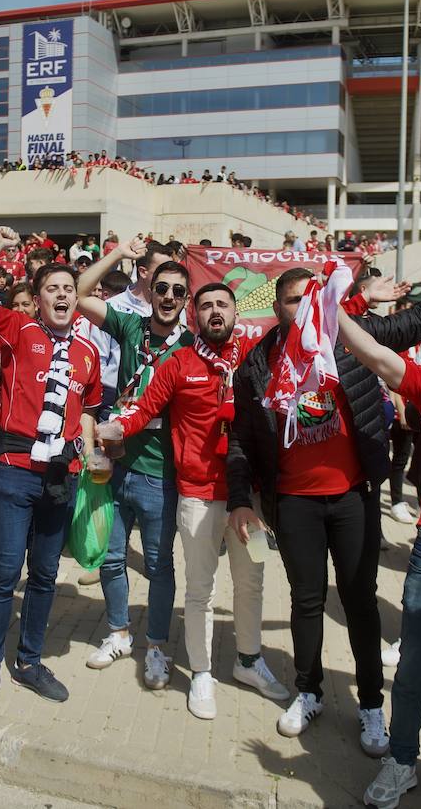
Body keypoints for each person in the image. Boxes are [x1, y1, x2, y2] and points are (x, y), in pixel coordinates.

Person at [229, 266, 421, 757]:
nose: (303, 308)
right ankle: (309, 690)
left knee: (360, 601)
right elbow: (239, 437)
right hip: (295, 501)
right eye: (292, 301)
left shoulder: (353, 340)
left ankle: (369, 705)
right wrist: (241, 499)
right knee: (305, 601)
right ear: (276, 309)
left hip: (353, 496)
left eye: (312, 299)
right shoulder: (258, 363)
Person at [99, 281, 291, 721]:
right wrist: (111, 429)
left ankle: (248, 661)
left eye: (223, 304)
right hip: (198, 499)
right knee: (200, 590)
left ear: (236, 312)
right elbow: (143, 408)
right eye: (206, 306)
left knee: (252, 583)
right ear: (194, 316)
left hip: (252, 503)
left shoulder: (255, 356)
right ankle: (201, 672)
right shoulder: (178, 363)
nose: (215, 311)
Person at [0, 226, 103, 729]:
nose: (62, 295)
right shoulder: (20, 330)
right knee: (3, 575)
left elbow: (85, 408)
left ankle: (29, 661)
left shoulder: (88, 353)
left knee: (44, 576)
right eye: (52, 289)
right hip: (13, 472)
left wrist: (87, 444)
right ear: (38, 299)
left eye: (69, 289)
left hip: (60, 476)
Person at [75, 239, 192, 690]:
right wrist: (119, 251)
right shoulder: (130, 325)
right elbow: (83, 292)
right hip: (115, 466)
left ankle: (158, 647)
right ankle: (119, 633)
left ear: (185, 300)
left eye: (177, 292)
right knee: (111, 558)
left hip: (162, 473)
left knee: (161, 567)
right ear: (148, 286)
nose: (167, 297)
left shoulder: (192, 343)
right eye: (161, 287)